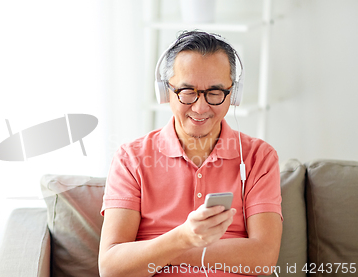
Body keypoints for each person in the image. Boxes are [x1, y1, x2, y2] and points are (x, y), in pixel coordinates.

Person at [98, 30, 283, 277]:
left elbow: (262, 258)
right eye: (187, 91)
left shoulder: (259, 157)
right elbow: (112, 267)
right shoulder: (130, 158)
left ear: (233, 95)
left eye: (215, 92)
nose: (200, 107)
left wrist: (170, 248)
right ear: (165, 92)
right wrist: (183, 237)